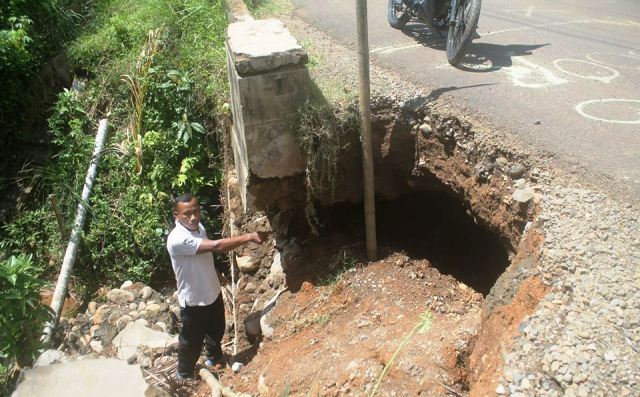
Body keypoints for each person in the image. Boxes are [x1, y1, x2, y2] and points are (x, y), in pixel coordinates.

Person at [167, 193, 265, 379]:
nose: (193, 217)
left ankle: (214, 358)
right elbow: (216, 246)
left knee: (216, 329)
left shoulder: (198, 227)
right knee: (191, 341)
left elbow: (203, 255)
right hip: (194, 300)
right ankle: (184, 374)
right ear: (176, 215)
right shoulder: (177, 239)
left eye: (196, 211)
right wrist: (249, 236)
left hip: (211, 291)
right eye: (187, 214)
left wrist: (216, 273)